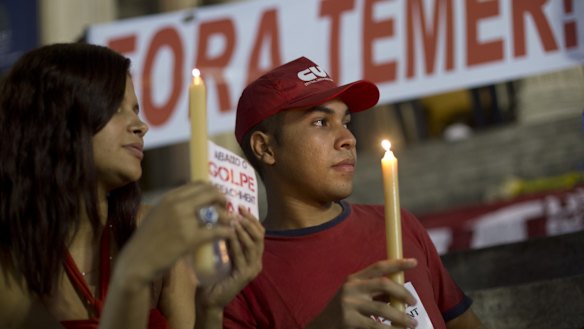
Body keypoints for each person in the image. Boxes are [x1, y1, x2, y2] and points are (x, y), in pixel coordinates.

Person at [0, 42, 264, 329]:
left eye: (136, 109)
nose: (141, 125)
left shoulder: (151, 228)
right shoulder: (11, 259)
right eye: (115, 108)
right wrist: (135, 270)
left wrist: (211, 309)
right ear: (55, 121)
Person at [223, 56, 485, 328]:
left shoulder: (398, 223)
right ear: (265, 148)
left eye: (345, 122)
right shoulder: (241, 273)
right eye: (321, 123)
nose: (349, 139)